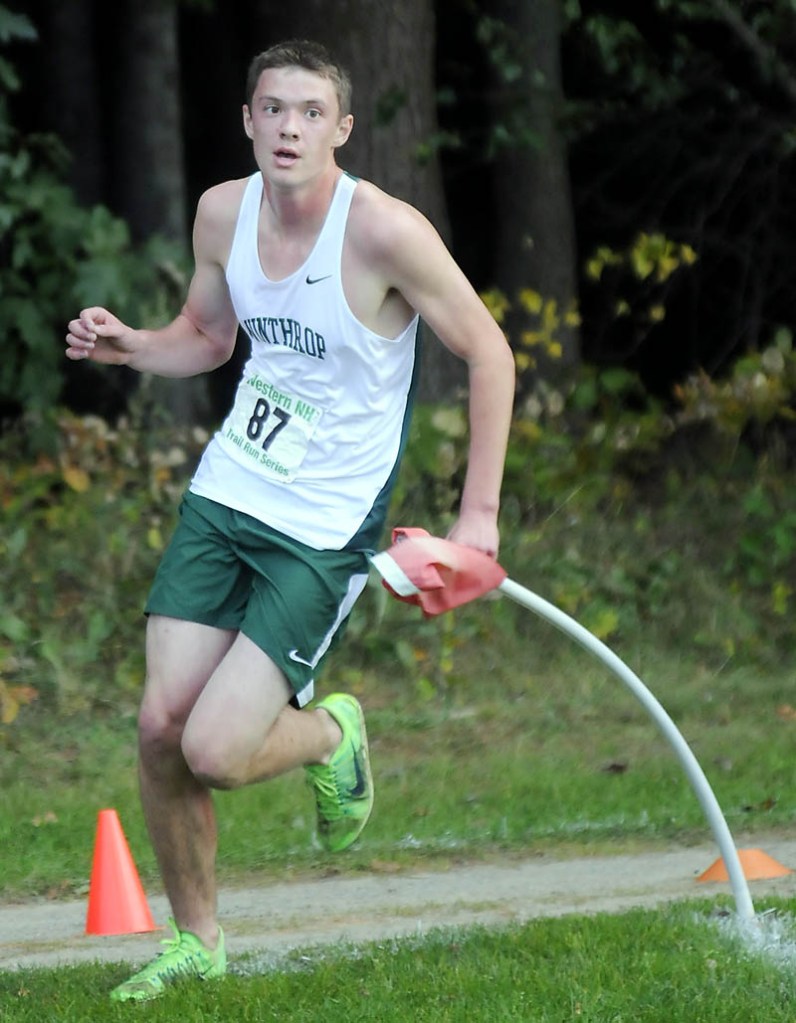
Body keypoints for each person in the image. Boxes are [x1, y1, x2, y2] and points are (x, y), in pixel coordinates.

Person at [65, 39, 515, 1002]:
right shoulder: (222, 212)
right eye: (273, 109)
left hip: (324, 526)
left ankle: (331, 734)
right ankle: (199, 943)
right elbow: (210, 336)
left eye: (311, 112)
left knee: (216, 751)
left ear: (341, 130)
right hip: (232, 493)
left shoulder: (384, 232)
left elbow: (490, 353)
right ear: (247, 120)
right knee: (158, 725)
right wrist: (131, 347)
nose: (289, 128)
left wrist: (478, 515)